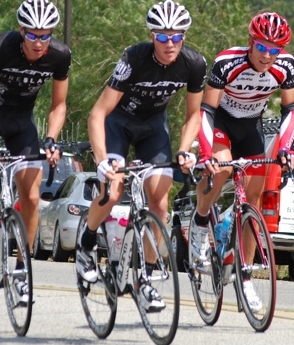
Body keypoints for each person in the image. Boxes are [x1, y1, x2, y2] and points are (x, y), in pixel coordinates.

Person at [76, 0, 207, 312]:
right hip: (117, 124)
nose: (169, 43)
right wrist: (103, 158)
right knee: (113, 190)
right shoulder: (134, 58)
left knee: (159, 203)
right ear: (152, 36)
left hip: (152, 129)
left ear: (184, 37)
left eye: (176, 36)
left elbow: (194, 116)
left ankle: (144, 280)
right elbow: (97, 114)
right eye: (162, 37)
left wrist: (185, 149)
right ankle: (87, 240)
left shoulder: (194, 64)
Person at [0, 0, 70, 304]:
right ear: (21, 31)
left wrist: (51, 139)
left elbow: (58, 105)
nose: (39, 41)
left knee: (32, 197)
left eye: (45, 35)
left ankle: (22, 270)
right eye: (32, 35)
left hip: (22, 123)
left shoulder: (59, 55)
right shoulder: (2, 47)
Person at [192, 12, 294, 312]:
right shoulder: (227, 62)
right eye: (262, 47)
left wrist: (286, 148)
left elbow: (291, 111)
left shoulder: (286, 66)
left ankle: (245, 277)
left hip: (251, 125)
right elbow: (206, 112)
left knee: (253, 199)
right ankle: (201, 221)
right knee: (224, 167)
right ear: (251, 42)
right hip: (222, 122)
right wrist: (205, 152)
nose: (268, 55)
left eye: (274, 49)